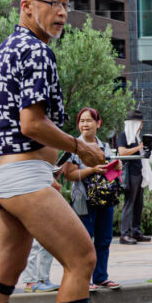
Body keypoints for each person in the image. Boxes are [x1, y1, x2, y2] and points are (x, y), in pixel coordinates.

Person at [0, 0, 120, 303]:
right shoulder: (36, 51)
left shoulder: (6, 48)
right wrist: (80, 147)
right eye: (52, 3)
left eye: (65, 4)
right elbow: (32, 123)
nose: (61, 13)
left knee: (3, 274)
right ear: (27, 7)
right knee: (83, 258)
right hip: (23, 177)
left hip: (9, 175)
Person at [64, 107, 121, 290]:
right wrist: (92, 170)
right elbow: (69, 174)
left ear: (98, 123)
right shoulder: (74, 146)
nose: (85, 124)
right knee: (84, 240)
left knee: (104, 238)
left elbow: (113, 173)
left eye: (89, 120)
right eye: (82, 121)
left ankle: (101, 276)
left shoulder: (104, 146)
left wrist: (117, 167)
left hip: (104, 197)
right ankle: (84, 279)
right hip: (83, 199)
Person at [116, 108, 151, 245]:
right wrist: (138, 148)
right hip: (130, 173)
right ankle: (125, 234)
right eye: (139, 123)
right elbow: (122, 152)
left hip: (139, 172)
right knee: (129, 204)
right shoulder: (124, 135)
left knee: (138, 204)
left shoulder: (136, 137)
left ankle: (136, 231)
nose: (141, 126)